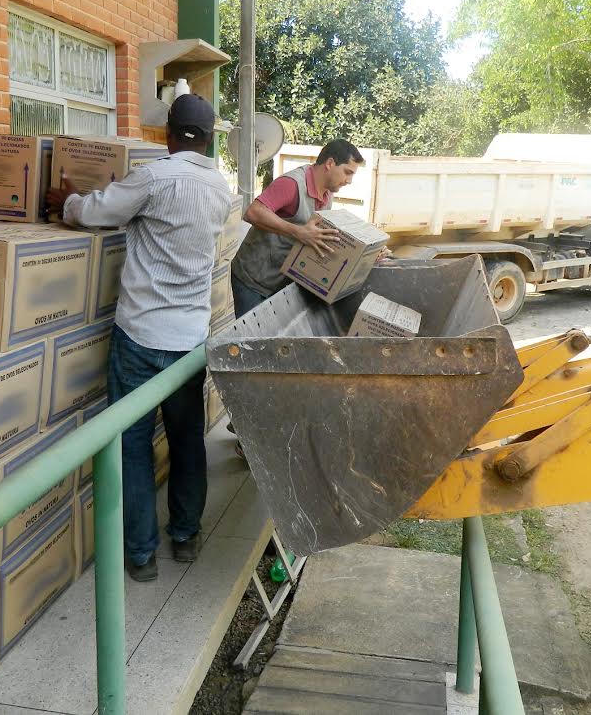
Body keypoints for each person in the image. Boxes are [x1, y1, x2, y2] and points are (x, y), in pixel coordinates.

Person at [46, 94, 231, 582]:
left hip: (141, 335)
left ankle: (142, 554)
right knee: (188, 441)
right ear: (209, 139)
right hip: (190, 339)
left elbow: (91, 212)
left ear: (167, 133)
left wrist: (63, 200)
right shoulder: (220, 187)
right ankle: (186, 537)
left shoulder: (153, 177)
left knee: (131, 444)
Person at [230, 138, 365, 317]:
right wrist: (299, 232)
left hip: (279, 281)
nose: (349, 181)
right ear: (330, 163)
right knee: (251, 341)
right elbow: (253, 212)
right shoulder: (291, 184)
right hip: (252, 279)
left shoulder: (327, 194)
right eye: (347, 172)